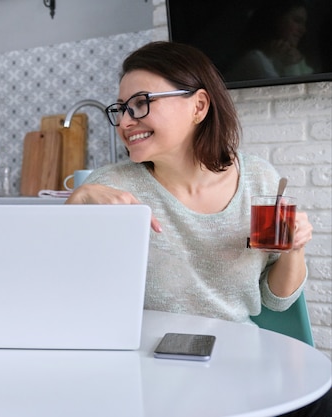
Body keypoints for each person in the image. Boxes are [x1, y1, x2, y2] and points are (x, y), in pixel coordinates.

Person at [66, 41, 330, 416]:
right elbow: (66, 297)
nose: (125, 122)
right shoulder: (110, 187)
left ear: (199, 106)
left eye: (140, 103)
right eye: (121, 109)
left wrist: (295, 246)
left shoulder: (258, 179)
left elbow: (277, 300)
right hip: (144, 370)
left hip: (237, 362)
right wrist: (72, 211)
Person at [226, 0, 314, 81]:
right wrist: (291, 66)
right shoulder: (255, 59)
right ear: (277, 19)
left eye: (304, 23)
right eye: (297, 21)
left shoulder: (296, 59)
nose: (303, 30)